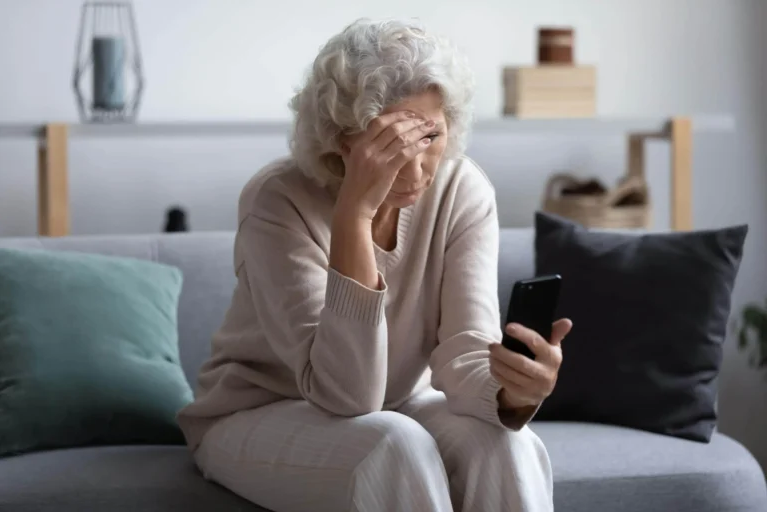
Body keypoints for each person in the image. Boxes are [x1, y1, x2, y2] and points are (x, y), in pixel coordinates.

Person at [177, 17, 572, 512]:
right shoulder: (277, 201)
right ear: (343, 143)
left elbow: (465, 354)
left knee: (508, 444)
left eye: (430, 137)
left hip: (401, 404)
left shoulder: (462, 189)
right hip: (260, 409)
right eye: (389, 147)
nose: (415, 169)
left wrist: (514, 393)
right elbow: (347, 394)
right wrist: (355, 215)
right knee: (393, 445)